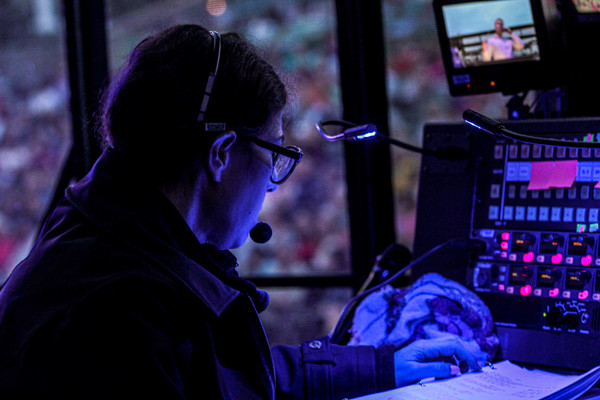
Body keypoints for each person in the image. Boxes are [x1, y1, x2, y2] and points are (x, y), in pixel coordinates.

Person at [0, 24, 480, 399]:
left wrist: (382, 366)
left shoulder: (113, 246)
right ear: (222, 153)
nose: (272, 179)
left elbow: (225, 379)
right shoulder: (116, 316)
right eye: (273, 153)